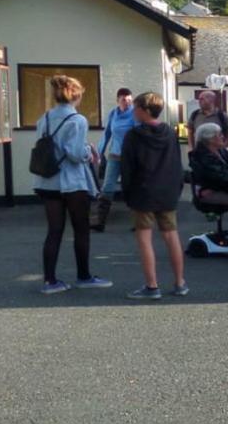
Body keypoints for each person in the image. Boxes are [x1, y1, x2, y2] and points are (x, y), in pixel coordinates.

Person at [32, 75, 112, 294]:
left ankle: (50, 281)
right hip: (73, 182)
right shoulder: (78, 120)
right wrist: (89, 151)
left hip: (47, 180)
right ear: (76, 95)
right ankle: (84, 276)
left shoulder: (44, 118)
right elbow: (76, 154)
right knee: (81, 229)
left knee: (54, 231)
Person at [121, 92, 187, 300]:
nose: (133, 110)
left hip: (142, 192)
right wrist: (176, 188)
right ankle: (179, 282)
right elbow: (177, 163)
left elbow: (127, 169)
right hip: (167, 192)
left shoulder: (133, 136)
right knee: (171, 235)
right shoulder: (169, 133)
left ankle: (152, 286)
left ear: (144, 110)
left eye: (137, 107)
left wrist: (128, 194)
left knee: (144, 238)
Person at [92, 87, 136, 232]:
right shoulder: (113, 114)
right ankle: (100, 221)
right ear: (118, 100)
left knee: (131, 187)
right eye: (124, 100)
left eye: (130, 100)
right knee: (107, 187)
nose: (127, 102)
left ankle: (138, 222)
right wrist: (98, 154)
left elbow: (140, 136)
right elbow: (107, 134)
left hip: (131, 157)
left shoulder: (135, 114)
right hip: (115, 155)